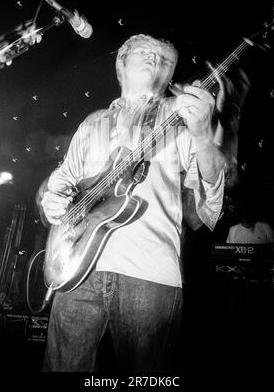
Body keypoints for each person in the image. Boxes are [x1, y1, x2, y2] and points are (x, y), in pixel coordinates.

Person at [40, 33, 229, 373]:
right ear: (121, 65)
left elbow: (209, 199)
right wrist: (52, 201)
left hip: (150, 273)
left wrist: (202, 134)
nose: (154, 58)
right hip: (76, 269)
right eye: (143, 52)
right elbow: (62, 181)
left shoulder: (182, 118)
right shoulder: (93, 123)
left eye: (161, 57)